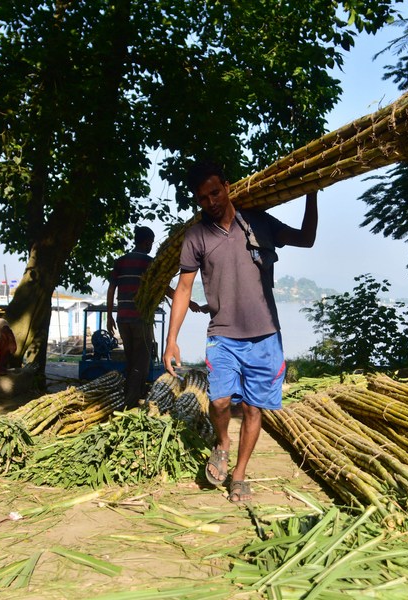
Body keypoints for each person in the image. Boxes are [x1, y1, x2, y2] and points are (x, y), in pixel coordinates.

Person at [163, 160, 318, 503]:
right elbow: (184, 288)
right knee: (218, 401)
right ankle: (222, 442)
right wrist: (172, 340)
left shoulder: (258, 222)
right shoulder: (197, 236)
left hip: (265, 336)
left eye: (215, 192)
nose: (211, 202)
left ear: (228, 187)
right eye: (202, 198)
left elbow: (306, 239)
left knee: (252, 408)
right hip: (223, 335)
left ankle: (239, 474)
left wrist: (312, 194)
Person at [107, 226, 204, 408]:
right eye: (151, 242)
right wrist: (189, 303)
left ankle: (129, 394)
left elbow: (112, 289)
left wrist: (109, 316)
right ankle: (130, 403)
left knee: (131, 359)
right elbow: (165, 289)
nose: (151, 246)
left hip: (122, 318)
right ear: (147, 242)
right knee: (141, 362)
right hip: (140, 318)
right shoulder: (149, 263)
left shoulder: (120, 261)